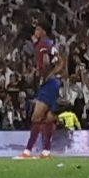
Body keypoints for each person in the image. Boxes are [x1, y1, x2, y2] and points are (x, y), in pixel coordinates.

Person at [21, 28, 63, 158]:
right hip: (55, 83)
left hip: (48, 84)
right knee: (48, 118)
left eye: (38, 29)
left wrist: (44, 76)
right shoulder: (50, 43)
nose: (35, 32)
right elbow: (61, 61)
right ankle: (46, 151)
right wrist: (54, 73)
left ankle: (28, 150)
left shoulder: (42, 45)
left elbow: (45, 62)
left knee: (36, 117)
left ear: (43, 31)